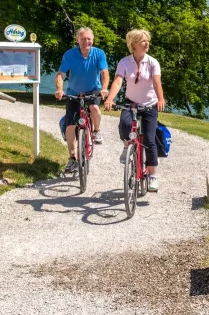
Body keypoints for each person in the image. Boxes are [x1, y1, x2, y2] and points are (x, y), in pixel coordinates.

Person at [104, 29, 166, 192]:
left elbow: (157, 83)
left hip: (149, 105)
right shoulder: (124, 62)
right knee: (125, 126)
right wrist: (110, 98)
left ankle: (152, 175)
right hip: (131, 103)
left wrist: (160, 99)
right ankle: (127, 147)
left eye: (148, 41)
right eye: (143, 41)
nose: (147, 44)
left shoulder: (153, 62)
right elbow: (118, 81)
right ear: (133, 45)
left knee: (149, 140)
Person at [54, 27, 110, 173]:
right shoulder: (70, 54)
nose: (86, 42)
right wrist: (60, 90)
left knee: (94, 108)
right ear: (78, 40)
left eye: (89, 39)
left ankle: (96, 131)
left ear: (93, 40)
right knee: (70, 126)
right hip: (74, 92)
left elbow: (104, 72)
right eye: (83, 39)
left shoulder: (99, 54)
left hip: (93, 90)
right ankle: (72, 159)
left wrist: (104, 88)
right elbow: (60, 74)